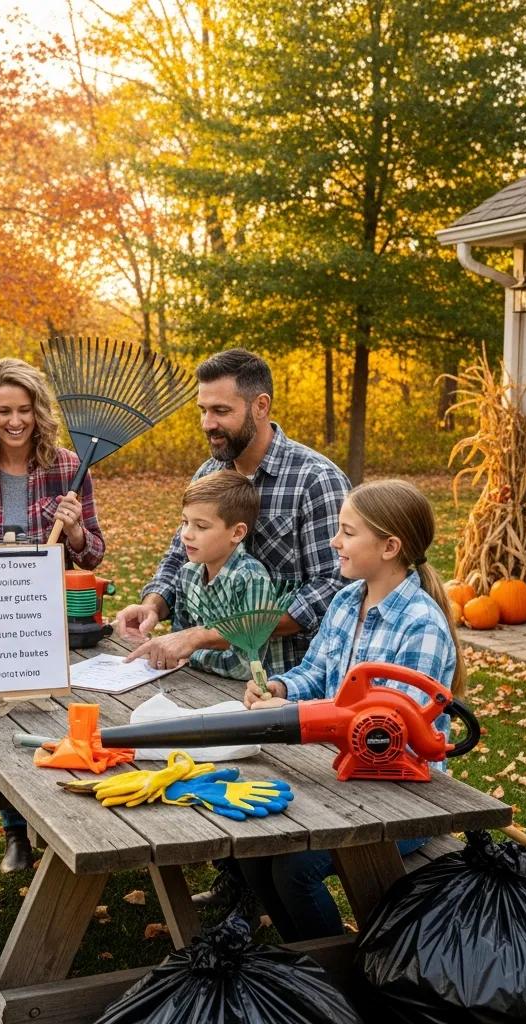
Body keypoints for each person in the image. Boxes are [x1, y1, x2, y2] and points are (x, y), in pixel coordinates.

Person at [237, 478, 466, 941]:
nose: (334, 541)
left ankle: (342, 978)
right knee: (254, 856)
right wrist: (280, 687)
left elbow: (394, 732)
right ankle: (308, 962)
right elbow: (317, 673)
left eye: (347, 532)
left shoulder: (421, 625)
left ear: (389, 547)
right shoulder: (347, 601)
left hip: (406, 792)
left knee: (293, 870)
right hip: (349, 774)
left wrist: (302, 714)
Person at [0, 357, 105, 872]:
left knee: (48, 718)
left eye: (24, 410)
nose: (15, 421)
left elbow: (92, 553)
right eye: (3, 411)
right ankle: (15, 830)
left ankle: (59, 821)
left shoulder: (66, 468)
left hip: (46, 619)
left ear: (38, 412)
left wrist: (75, 530)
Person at [115, 348, 349, 681]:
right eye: (203, 410)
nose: (208, 424)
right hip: (207, 673)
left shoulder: (315, 480)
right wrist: (153, 605)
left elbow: (333, 590)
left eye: (221, 411)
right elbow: (180, 556)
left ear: (261, 406)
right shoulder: (209, 474)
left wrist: (204, 635)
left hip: (293, 681)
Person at [118, 469, 277, 679]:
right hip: (196, 684)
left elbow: (245, 665)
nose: (186, 534)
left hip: (249, 696)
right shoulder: (188, 574)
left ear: (237, 533)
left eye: (201, 526)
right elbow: (179, 635)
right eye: (184, 522)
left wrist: (189, 654)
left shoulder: (251, 579)